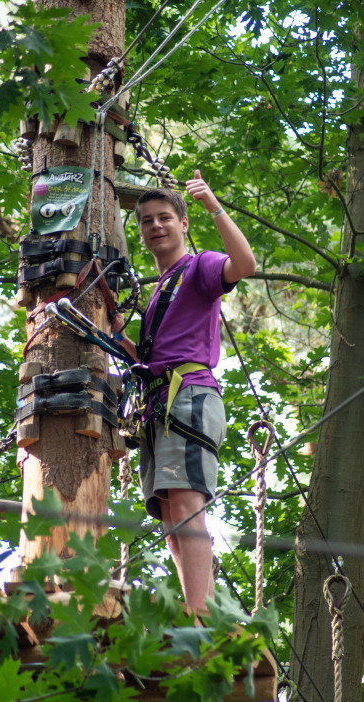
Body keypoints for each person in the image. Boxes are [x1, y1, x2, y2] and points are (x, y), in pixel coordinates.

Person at [113, 170, 256, 614]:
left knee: (186, 503)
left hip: (189, 396)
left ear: (183, 224)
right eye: (147, 222)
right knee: (171, 515)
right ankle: (201, 607)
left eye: (165, 218)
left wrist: (213, 205)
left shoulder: (200, 267)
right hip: (159, 403)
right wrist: (117, 334)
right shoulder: (159, 292)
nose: (156, 226)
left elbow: (245, 266)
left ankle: (199, 615)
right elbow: (151, 359)